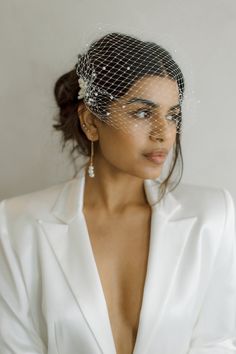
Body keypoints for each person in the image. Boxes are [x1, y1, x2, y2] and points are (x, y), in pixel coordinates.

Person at [0, 32, 235, 354]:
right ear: (90, 121)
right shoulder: (16, 223)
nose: (163, 133)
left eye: (173, 114)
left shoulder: (213, 217)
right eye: (142, 112)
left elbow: (217, 343)